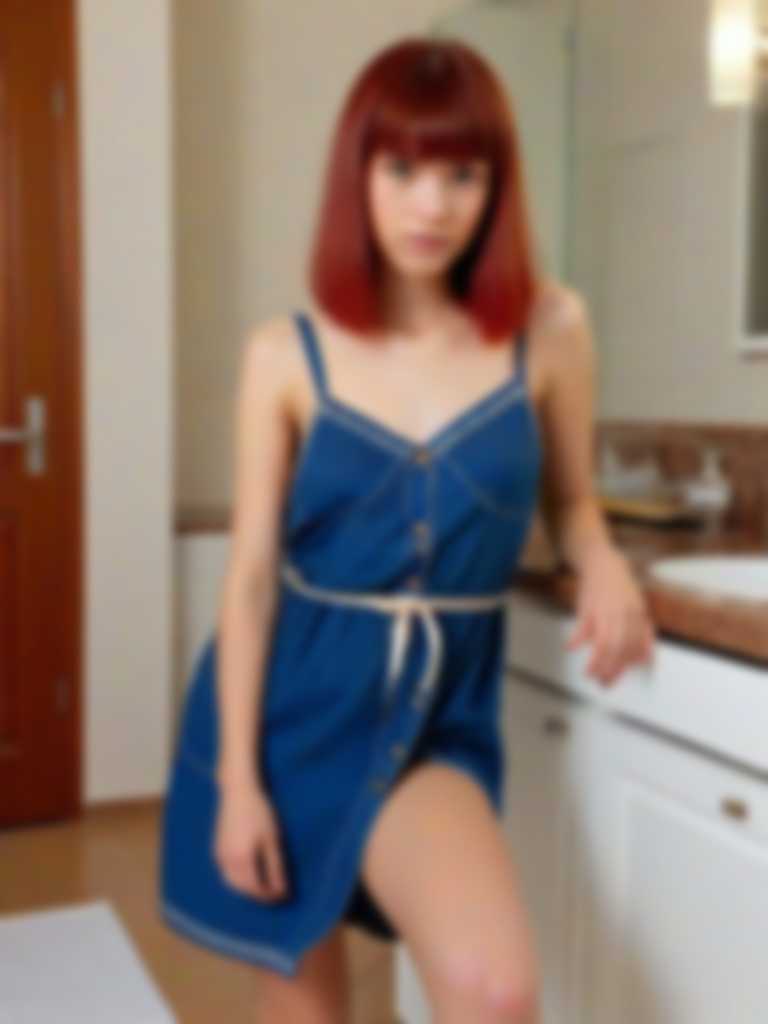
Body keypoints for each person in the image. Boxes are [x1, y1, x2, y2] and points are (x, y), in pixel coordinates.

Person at [159, 36, 655, 1023]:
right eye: (401, 169)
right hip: (290, 711)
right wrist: (238, 780)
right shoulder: (284, 354)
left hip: (436, 719)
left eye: (463, 174)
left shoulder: (552, 330)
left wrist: (600, 557)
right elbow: (251, 579)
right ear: (359, 175)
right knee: (306, 1003)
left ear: (497, 186)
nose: (432, 205)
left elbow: (570, 500)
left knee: (494, 991)